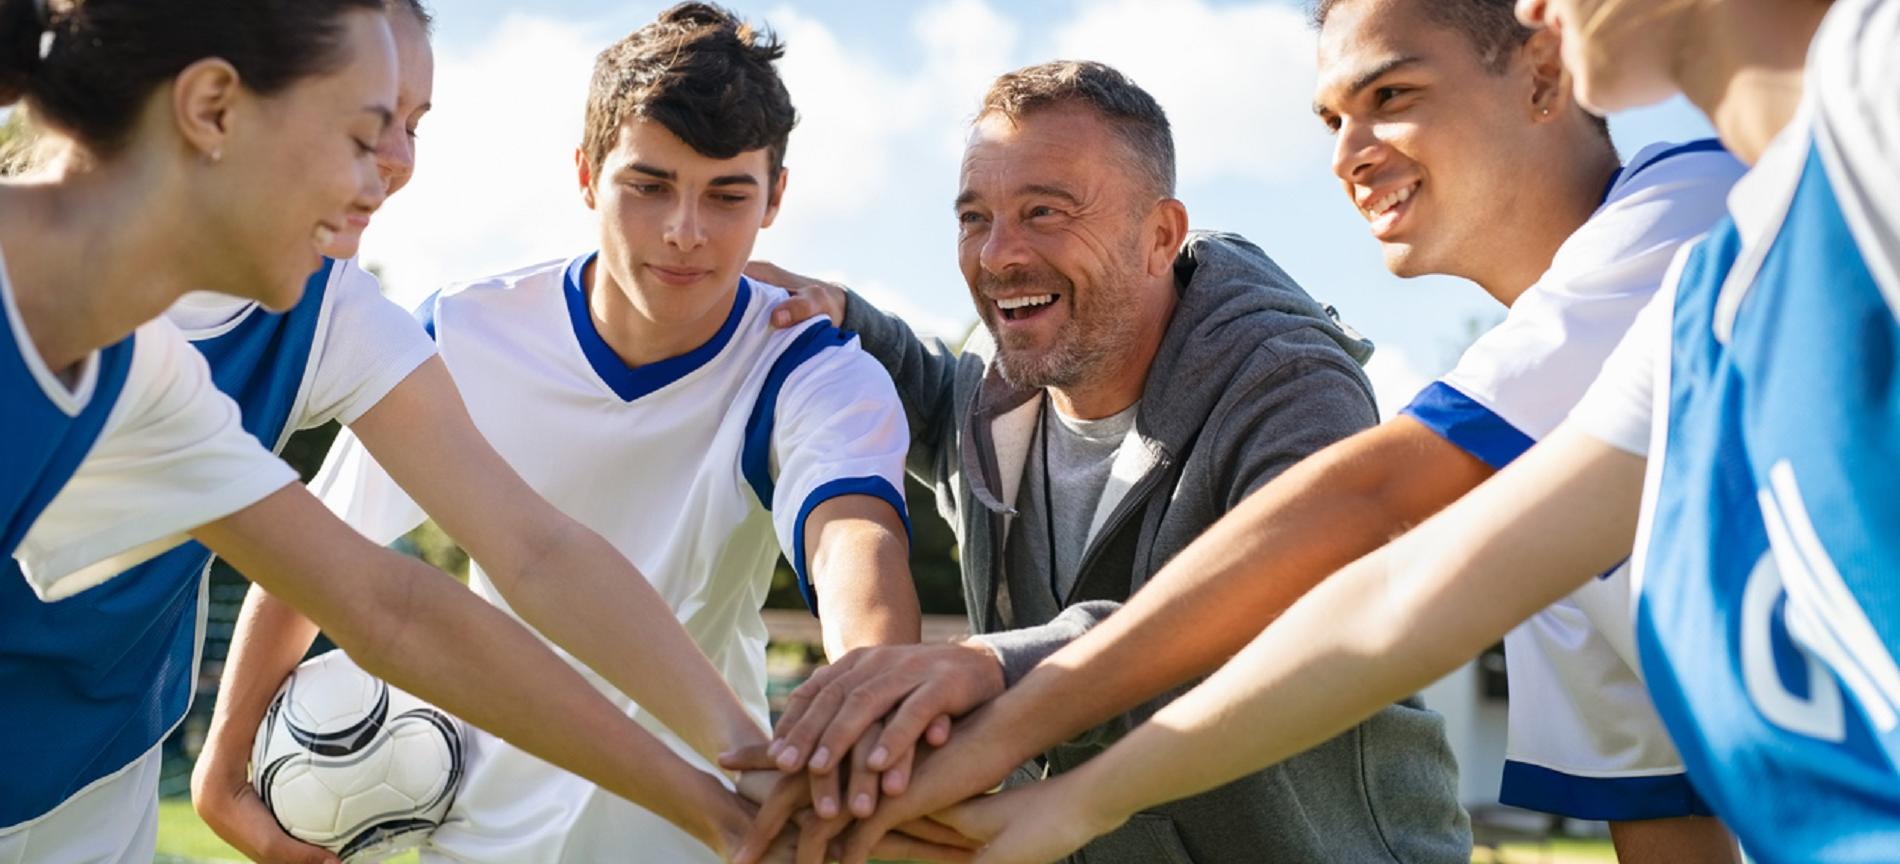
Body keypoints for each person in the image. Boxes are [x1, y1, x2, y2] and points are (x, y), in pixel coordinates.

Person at [756, 2, 1745, 861]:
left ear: (1542, 68)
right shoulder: (1533, 475)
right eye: (1331, 118)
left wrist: (993, 687)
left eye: (1391, 95)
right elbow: (1657, 799)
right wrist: (846, 316)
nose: (1346, 153)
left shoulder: (1698, 219)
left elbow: (1349, 543)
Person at [0, 2, 765, 861]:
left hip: (86, 780)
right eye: (365, 134)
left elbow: (390, 602)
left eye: (409, 128)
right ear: (212, 108)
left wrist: (739, 801)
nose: (388, 174)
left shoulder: (147, 382)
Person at [223, 4, 932, 862]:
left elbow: (854, 541)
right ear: (587, 174)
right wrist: (224, 769)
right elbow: (315, 560)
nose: (686, 230)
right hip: (479, 837)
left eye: (727, 195)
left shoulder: (811, 367)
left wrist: (873, 708)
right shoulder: (463, 331)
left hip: (704, 836)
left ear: (775, 198)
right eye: (650, 185)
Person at [736, 59, 1470, 864]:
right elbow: (927, 388)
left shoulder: (1292, 383)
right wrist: (844, 315)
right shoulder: (993, 390)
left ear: (1160, 235)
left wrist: (989, 665)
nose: (998, 255)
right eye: (975, 217)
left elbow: (1269, 619)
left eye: (1045, 212)